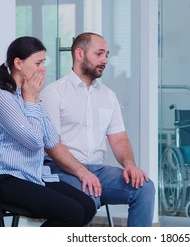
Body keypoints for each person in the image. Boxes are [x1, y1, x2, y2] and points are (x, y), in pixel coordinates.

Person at [41, 32, 155, 227]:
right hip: (60, 169)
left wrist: (129, 164)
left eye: (107, 55)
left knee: (144, 187)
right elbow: (51, 145)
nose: (105, 60)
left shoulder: (108, 95)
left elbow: (119, 139)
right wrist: (81, 172)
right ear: (79, 54)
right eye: (99, 54)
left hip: (97, 170)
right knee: (88, 197)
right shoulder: (54, 93)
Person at [0, 36, 96, 227]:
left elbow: (50, 140)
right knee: (73, 212)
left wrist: (33, 99)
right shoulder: (2, 98)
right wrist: (30, 99)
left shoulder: (31, 96)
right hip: (4, 179)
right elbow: (35, 141)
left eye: (44, 62)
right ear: (18, 63)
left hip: (32, 174)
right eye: (38, 63)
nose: (43, 68)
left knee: (87, 207)